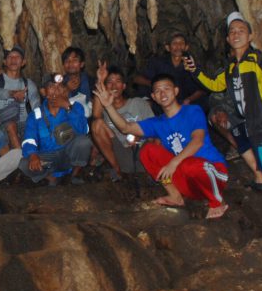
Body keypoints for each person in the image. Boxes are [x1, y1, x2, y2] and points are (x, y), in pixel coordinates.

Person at [189, 12, 262, 235]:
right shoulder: (230, 67)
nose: (236, 34)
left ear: (250, 36)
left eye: (241, 31)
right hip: (248, 123)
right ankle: (261, 182)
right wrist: (195, 71)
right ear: (227, 39)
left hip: (261, 124)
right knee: (241, 138)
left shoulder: (257, 59)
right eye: (232, 32)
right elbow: (215, 85)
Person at [97, 74, 230, 218]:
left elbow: (197, 141)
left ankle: (217, 202)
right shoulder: (158, 122)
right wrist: (108, 106)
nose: (162, 93)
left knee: (189, 165)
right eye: (158, 91)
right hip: (188, 182)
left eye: (166, 88)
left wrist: (173, 163)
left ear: (176, 91)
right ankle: (175, 196)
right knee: (147, 151)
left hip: (214, 175)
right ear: (153, 97)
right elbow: (125, 128)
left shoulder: (192, 111)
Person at [19, 73, 93, 185]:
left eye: (60, 86)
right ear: (43, 92)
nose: (57, 89)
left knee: (84, 142)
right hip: (49, 158)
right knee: (24, 164)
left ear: (65, 91)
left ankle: (74, 174)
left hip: (68, 154)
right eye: (51, 86)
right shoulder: (36, 115)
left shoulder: (75, 106)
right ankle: (50, 178)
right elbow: (29, 139)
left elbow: (83, 130)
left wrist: (68, 107)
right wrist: (33, 155)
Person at [90, 61, 151, 180]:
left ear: (124, 86)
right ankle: (118, 170)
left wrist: (140, 137)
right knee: (97, 124)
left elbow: (154, 129)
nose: (114, 86)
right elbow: (96, 117)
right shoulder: (105, 109)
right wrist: (100, 81)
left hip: (141, 149)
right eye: (109, 82)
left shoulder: (139, 103)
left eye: (118, 81)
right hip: (121, 152)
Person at [0, 46, 41, 156]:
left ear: (23, 62)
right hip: (1, 123)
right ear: (4, 62)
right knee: (11, 125)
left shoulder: (29, 84)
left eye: (17, 57)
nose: (13, 59)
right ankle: (22, 158)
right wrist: (12, 94)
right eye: (10, 57)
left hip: (24, 123)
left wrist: (38, 124)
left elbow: (36, 107)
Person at [133, 33, 204, 107]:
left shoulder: (192, 66)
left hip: (183, 104)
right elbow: (137, 79)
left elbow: (201, 89)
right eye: (174, 43)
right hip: (159, 104)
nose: (178, 46)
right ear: (168, 48)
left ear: (186, 47)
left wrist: (189, 99)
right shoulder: (157, 62)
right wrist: (154, 84)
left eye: (181, 43)